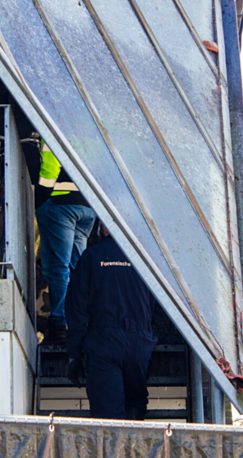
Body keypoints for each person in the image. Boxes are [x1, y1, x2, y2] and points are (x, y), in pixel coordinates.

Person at [65, 229, 158, 420]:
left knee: (107, 416)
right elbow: (162, 303)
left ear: (104, 226)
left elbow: (76, 307)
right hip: (141, 340)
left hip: (103, 341)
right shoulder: (147, 258)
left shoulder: (92, 256)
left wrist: (74, 354)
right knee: (135, 406)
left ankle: (111, 449)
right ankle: (133, 448)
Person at [36, 140, 96, 344]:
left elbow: (50, 167)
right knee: (77, 268)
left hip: (61, 203)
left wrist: (41, 199)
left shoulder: (51, 123)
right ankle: (78, 320)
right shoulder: (87, 128)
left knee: (58, 267)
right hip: (88, 206)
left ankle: (60, 324)